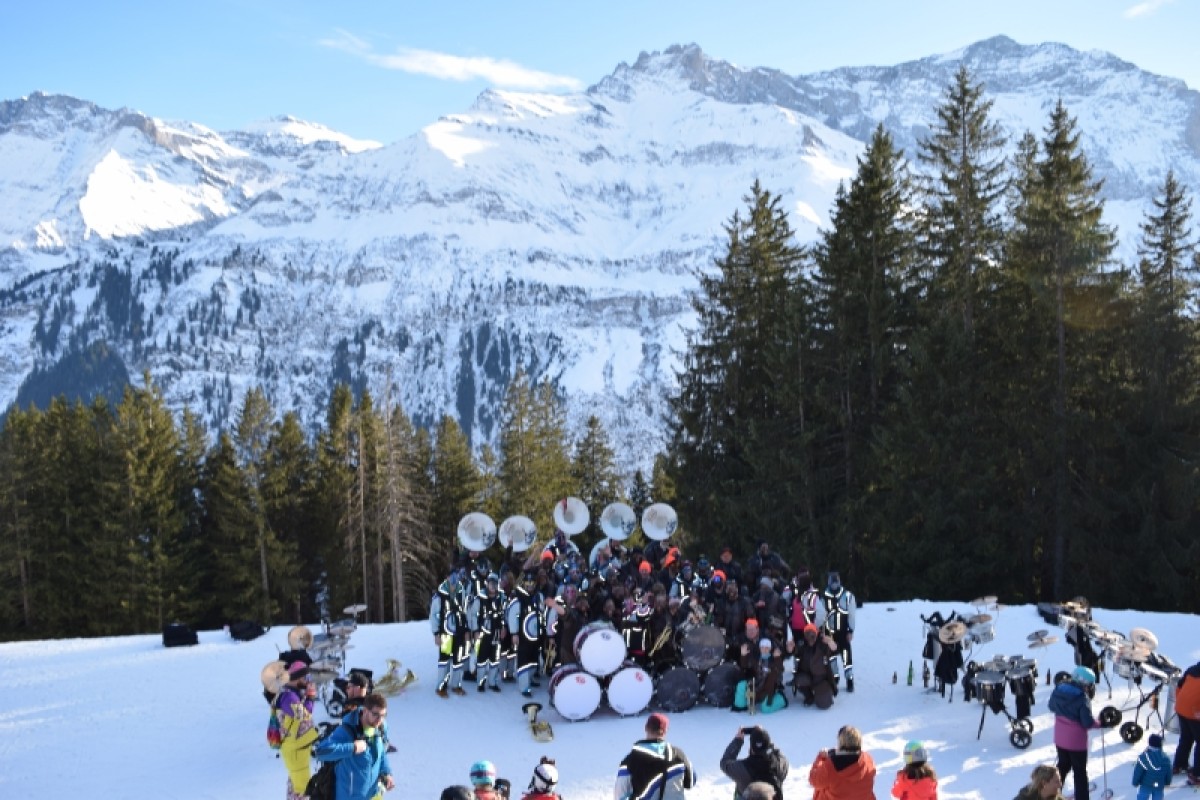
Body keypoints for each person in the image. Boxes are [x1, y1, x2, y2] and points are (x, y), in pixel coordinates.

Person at [312, 692, 395, 800]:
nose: (380, 719)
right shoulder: (347, 731)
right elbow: (321, 751)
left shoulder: (379, 728)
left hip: (373, 794)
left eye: (383, 715)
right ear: (365, 710)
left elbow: (381, 754)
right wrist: (353, 748)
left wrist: (386, 773)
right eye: (375, 714)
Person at [1047, 665, 1105, 800]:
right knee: (1079, 772)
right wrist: (1100, 723)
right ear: (1085, 683)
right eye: (1090, 684)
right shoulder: (1082, 698)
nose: (1090, 688)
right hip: (1076, 743)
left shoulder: (1059, 689)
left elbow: (1051, 706)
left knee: (1062, 767)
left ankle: (1051, 795)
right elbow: (1087, 723)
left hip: (1060, 738)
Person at [615, 712, 695, 799]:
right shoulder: (679, 755)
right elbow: (690, 782)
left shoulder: (630, 760)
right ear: (665, 731)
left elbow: (620, 794)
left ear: (646, 728)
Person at [277, 661, 320, 800]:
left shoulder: (293, 694)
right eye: (306, 678)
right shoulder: (288, 697)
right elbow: (303, 715)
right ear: (297, 678)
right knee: (303, 789)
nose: (308, 681)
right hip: (295, 751)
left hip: (298, 749)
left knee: (296, 788)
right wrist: (310, 696)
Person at [720, 725, 789, 799]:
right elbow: (777, 752)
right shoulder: (780, 764)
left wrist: (738, 741)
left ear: (751, 749)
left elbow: (725, 762)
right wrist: (763, 737)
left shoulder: (741, 769)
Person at [808, 725, 876, 800]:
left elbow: (814, 780)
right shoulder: (867, 759)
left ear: (841, 743)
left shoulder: (831, 766)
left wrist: (820, 758)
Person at [431, 567, 470, 696]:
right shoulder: (439, 596)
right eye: (451, 576)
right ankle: (441, 686)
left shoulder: (461, 592)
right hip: (445, 633)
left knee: (458, 659)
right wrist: (436, 634)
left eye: (456, 576)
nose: (454, 579)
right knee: (444, 660)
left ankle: (456, 685)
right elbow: (433, 616)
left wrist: (466, 630)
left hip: (459, 633)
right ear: (447, 577)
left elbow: (465, 612)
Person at [818, 571, 857, 692]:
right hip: (829, 633)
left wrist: (850, 630)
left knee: (846, 655)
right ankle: (835, 677)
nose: (834, 584)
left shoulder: (847, 596)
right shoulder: (823, 597)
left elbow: (852, 614)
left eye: (836, 581)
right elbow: (820, 615)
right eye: (832, 581)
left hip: (843, 631)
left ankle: (849, 678)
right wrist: (821, 631)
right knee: (831, 656)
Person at [793, 622, 838, 709]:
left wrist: (830, 642)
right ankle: (809, 696)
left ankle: (823, 693)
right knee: (799, 680)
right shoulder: (802, 646)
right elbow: (792, 652)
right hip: (807, 677)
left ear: (816, 634)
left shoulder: (823, 645)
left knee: (824, 704)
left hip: (821, 679)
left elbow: (835, 649)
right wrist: (790, 649)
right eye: (807, 633)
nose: (810, 635)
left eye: (812, 633)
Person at [1173, 660, 1200, 782]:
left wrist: (1182, 705)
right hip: (1194, 712)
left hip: (1181, 707)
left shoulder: (1192, 669)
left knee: (1186, 737)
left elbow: (1179, 687)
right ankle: (1197, 775)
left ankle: (1179, 765)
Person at [1132, 733, 1172, 800]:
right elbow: (1169, 772)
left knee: (1142, 796)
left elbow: (1138, 771)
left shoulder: (1144, 758)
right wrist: (1168, 782)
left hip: (1146, 784)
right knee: (1158, 797)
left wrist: (1135, 782)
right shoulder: (1166, 758)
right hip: (1159, 784)